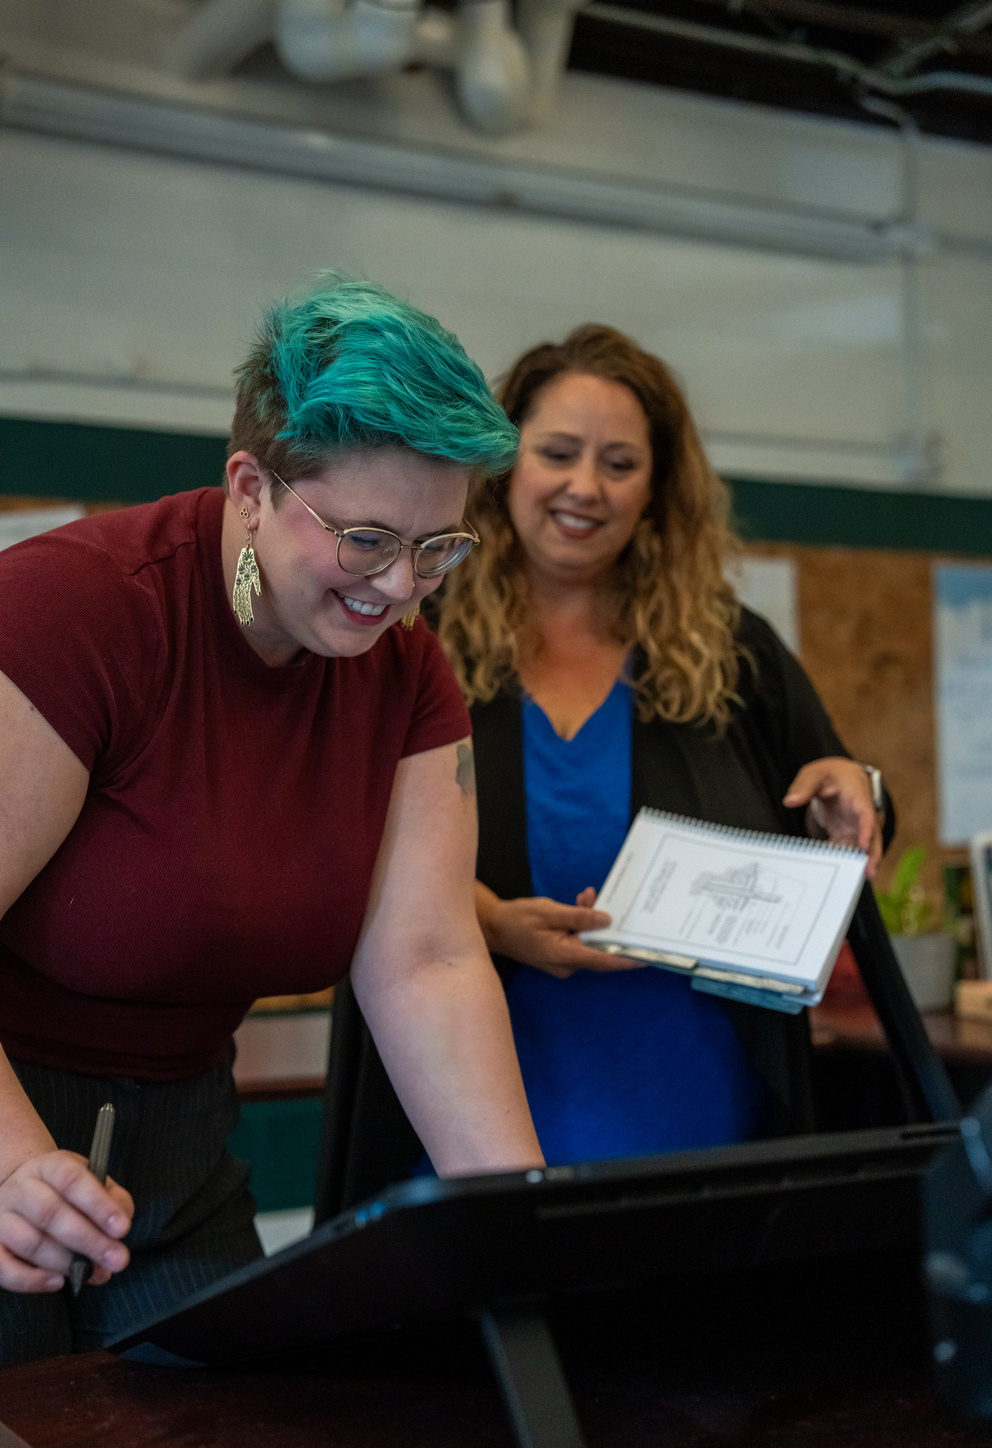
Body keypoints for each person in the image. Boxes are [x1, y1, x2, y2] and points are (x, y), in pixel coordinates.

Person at [0, 277, 543, 1365]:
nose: (399, 589)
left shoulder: (403, 675)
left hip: (182, 1143)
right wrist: (13, 1162)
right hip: (10, 1109)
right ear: (251, 484)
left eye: (439, 548)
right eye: (367, 539)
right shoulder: (77, 614)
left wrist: (520, 1224)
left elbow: (428, 961)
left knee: (232, 1443)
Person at [434, 324, 889, 1167]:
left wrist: (851, 786)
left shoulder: (728, 649)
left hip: (700, 1114)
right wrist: (489, 922)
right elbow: (344, 851)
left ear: (656, 487)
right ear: (502, 467)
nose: (585, 487)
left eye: (619, 463)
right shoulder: (415, 637)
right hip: (473, 1115)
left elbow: (842, 796)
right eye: (558, 452)